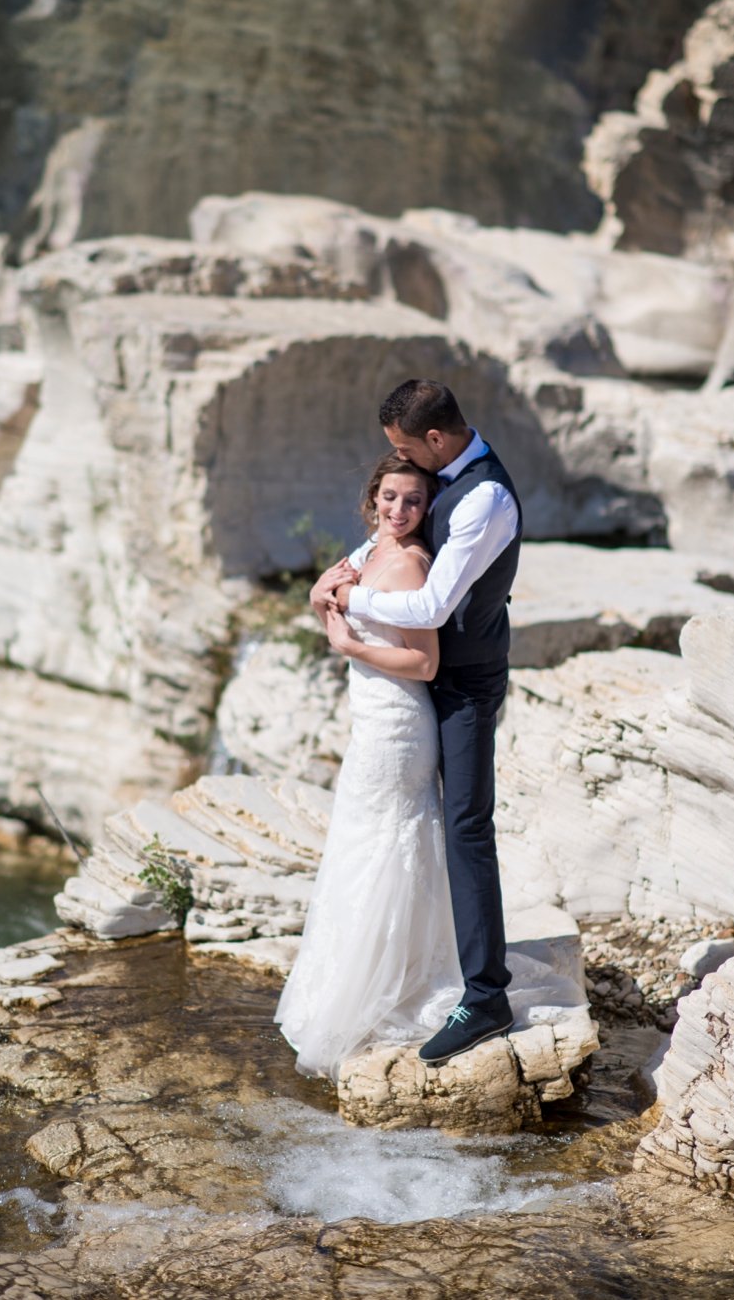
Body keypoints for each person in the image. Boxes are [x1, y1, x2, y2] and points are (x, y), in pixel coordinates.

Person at [328, 379, 522, 1067]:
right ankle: (414, 963)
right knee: (414, 824)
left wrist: (354, 602)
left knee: (467, 826)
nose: (403, 461)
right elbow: (389, 529)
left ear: (435, 441)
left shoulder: (484, 497)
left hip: (465, 684)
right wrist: (344, 566)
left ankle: (485, 997)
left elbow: (435, 605)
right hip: (417, 683)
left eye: (406, 448)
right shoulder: (441, 478)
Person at [274, 453, 464, 1080]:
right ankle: (359, 974)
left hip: (399, 725)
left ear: (426, 508)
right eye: (389, 497)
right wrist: (317, 599)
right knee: (360, 843)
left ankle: (397, 982)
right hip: (369, 718)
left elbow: (426, 664)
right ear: (372, 498)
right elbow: (329, 602)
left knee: (390, 843)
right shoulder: (368, 552)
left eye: (412, 501)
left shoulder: (409, 564)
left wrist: (351, 645)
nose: (399, 511)